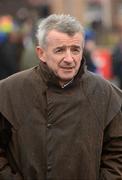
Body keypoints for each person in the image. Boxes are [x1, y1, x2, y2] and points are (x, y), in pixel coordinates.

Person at [0, 14, 122, 180]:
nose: (69, 59)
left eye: (75, 50)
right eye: (59, 50)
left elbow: (117, 152)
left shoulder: (107, 94)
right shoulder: (8, 92)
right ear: (41, 53)